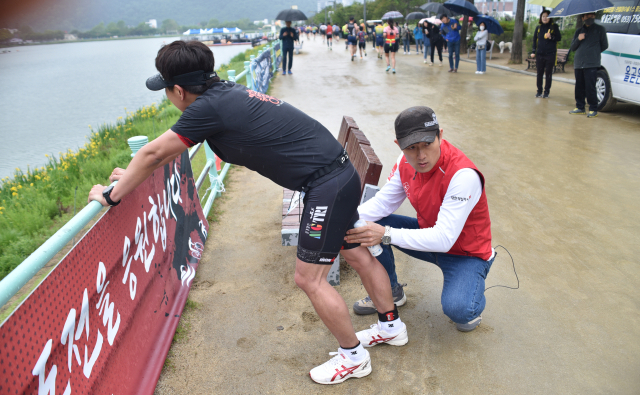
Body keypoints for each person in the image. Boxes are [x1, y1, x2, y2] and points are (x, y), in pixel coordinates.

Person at [89, 40, 407, 385]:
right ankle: (391, 327)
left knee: (308, 279)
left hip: (326, 186)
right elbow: (161, 155)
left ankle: (353, 356)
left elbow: (153, 153)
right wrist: (134, 176)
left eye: (166, 90)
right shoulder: (224, 93)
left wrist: (112, 195)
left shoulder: (207, 108)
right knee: (358, 254)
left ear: (178, 91)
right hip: (338, 176)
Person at [345, 106, 495, 333]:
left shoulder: (463, 175)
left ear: (440, 136)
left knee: (460, 312)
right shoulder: (405, 162)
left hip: (465, 252)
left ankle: (474, 287)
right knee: (364, 226)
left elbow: (444, 238)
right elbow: (383, 203)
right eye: (412, 148)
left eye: (428, 144)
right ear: (399, 146)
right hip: (430, 234)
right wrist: (342, 219)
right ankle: (392, 290)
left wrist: (385, 234)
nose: (421, 155)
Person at [569, 12, 608, 118]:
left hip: (591, 63)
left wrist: (593, 52)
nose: (589, 17)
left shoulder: (600, 30)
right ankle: (580, 107)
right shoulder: (579, 31)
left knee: (590, 87)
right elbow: (572, 47)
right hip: (579, 63)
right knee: (579, 86)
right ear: (582, 18)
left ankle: (593, 108)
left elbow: (604, 45)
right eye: (586, 16)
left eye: (591, 15)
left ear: (594, 16)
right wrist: (579, 39)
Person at [531, 10, 562, 98]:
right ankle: (539, 91)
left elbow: (559, 38)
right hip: (540, 54)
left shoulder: (554, 27)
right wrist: (533, 51)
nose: (545, 18)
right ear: (541, 18)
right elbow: (534, 40)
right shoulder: (538, 28)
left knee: (548, 74)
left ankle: (546, 92)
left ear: (550, 18)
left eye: (547, 16)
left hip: (550, 54)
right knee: (539, 73)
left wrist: (551, 36)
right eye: (543, 16)